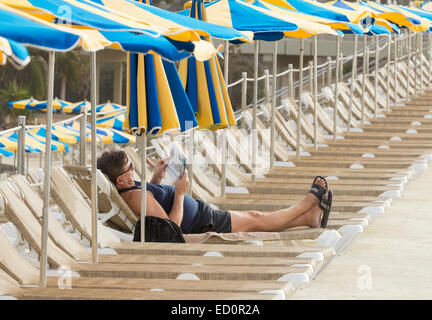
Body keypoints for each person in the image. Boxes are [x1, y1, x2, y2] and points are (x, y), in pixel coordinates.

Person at [97, 150, 332, 235]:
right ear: (120, 179)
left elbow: (152, 204)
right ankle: (305, 206)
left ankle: (309, 218)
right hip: (201, 224)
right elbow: (171, 229)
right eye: (130, 168)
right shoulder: (135, 196)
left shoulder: (130, 190)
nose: (134, 169)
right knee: (255, 218)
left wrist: (157, 177)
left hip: (200, 216)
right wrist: (179, 194)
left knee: (253, 220)